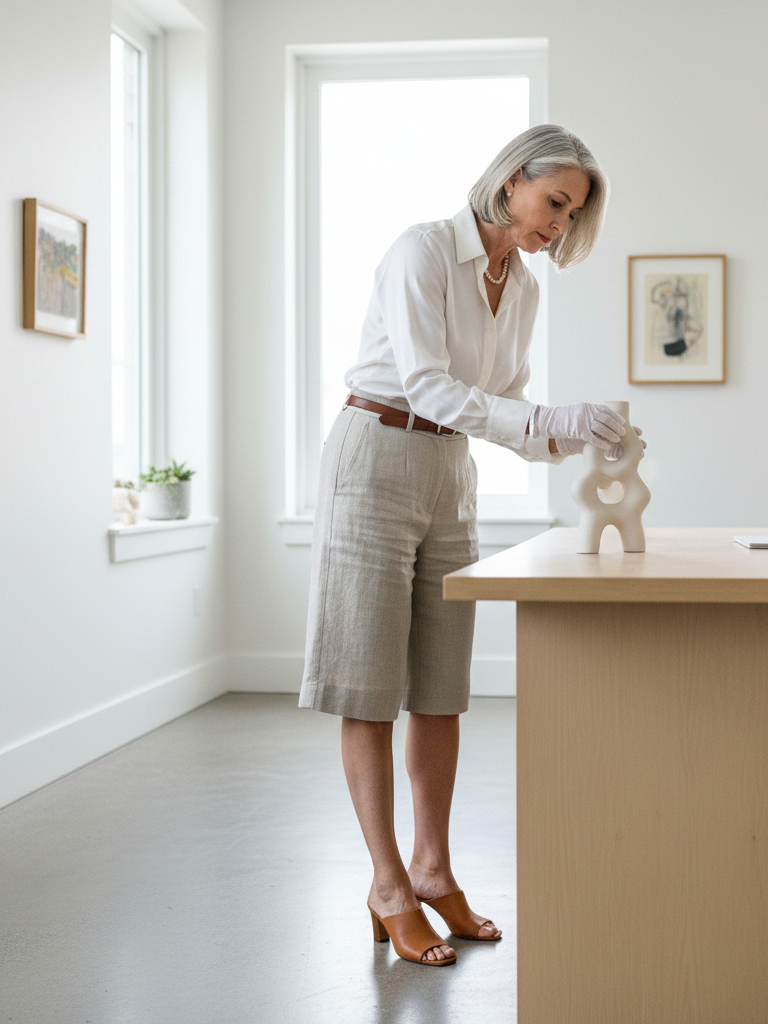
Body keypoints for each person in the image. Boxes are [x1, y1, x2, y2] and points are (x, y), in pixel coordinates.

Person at [299, 124, 642, 966]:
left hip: (448, 472)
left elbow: (505, 407)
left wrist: (569, 432)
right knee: (370, 684)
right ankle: (385, 883)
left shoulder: (519, 287)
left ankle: (432, 868)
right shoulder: (420, 252)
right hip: (373, 456)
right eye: (554, 204)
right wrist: (538, 419)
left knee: (443, 687)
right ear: (511, 180)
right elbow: (425, 385)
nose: (558, 226)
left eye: (570, 216)